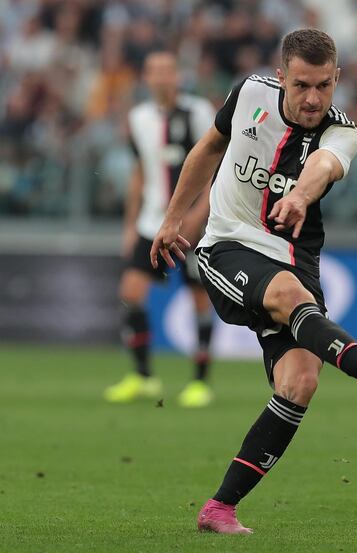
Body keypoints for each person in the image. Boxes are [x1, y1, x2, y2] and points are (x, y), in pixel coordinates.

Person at [150, 29, 357, 534]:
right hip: (227, 245)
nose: (313, 98)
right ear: (281, 77)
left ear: (337, 78)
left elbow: (323, 165)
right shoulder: (248, 92)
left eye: (324, 85)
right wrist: (171, 219)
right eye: (301, 85)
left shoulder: (344, 133)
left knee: (299, 383)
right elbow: (209, 148)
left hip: (294, 261)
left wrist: (299, 195)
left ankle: (220, 508)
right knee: (290, 297)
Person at [104, 51, 217, 408]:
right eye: (154, 71)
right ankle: (143, 376)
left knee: (198, 298)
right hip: (152, 222)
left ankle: (200, 382)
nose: (161, 77)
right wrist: (130, 223)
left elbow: (214, 168)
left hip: (193, 225)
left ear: (177, 76)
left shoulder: (197, 112)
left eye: (167, 71)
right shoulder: (139, 118)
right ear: (146, 77)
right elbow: (140, 172)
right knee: (131, 293)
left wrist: (198, 216)